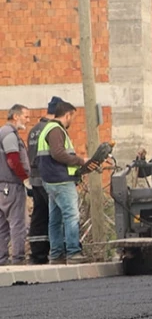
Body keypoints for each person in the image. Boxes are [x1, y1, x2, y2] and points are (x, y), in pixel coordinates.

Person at [36, 98, 100, 264]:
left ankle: (56, 255)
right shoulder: (56, 129)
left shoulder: (47, 128)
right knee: (71, 216)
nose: (72, 120)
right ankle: (73, 252)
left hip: (50, 180)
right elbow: (58, 153)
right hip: (61, 180)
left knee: (55, 220)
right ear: (68, 114)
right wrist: (80, 161)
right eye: (73, 116)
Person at [1, 104, 30, 265]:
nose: (27, 120)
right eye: (26, 116)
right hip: (12, 185)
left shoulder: (1, 132)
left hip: (2, 186)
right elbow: (13, 159)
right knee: (18, 223)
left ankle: (2, 259)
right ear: (16, 116)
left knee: (2, 226)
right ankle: (18, 259)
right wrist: (24, 178)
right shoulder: (10, 134)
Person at [25, 110, 51, 263]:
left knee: (39, 215)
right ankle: (59, 251)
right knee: (56, 215)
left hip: (35, 178)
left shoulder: (33, 130)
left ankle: (37, 253)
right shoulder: (51, 129)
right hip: (48, 178)